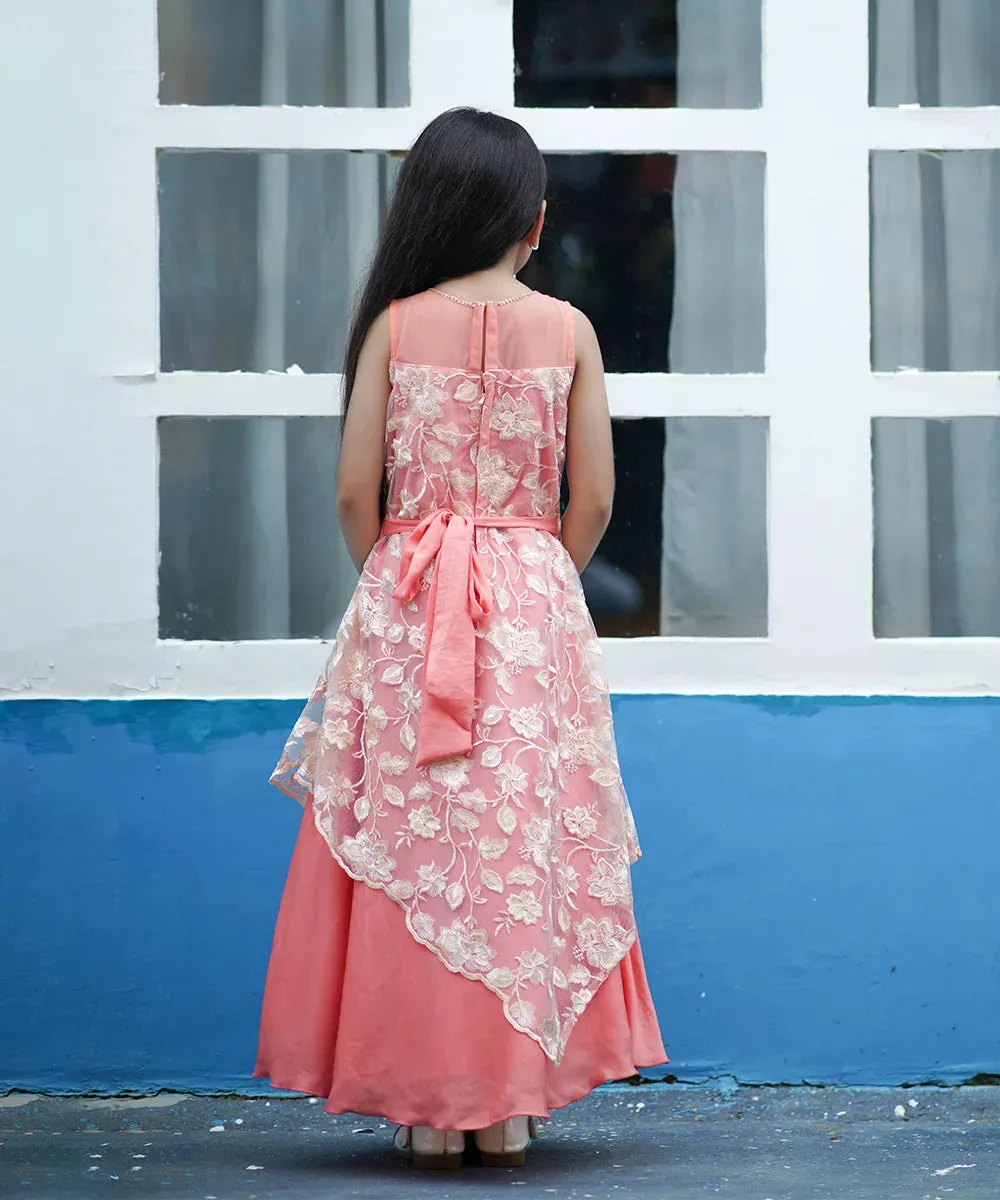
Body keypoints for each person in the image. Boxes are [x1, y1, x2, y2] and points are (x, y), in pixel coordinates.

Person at [254, 107, 666, 1170]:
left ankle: (427, 1110)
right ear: (532, 220)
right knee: (518, 837)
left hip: (409, 588)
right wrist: (533, 579)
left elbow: (356, 493)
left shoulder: (393, 324)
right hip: (534, 597)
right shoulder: (570, 328)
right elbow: (599, 499)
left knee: (416, 833)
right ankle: (513, 1104)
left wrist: (402, 582)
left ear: (431, 210)